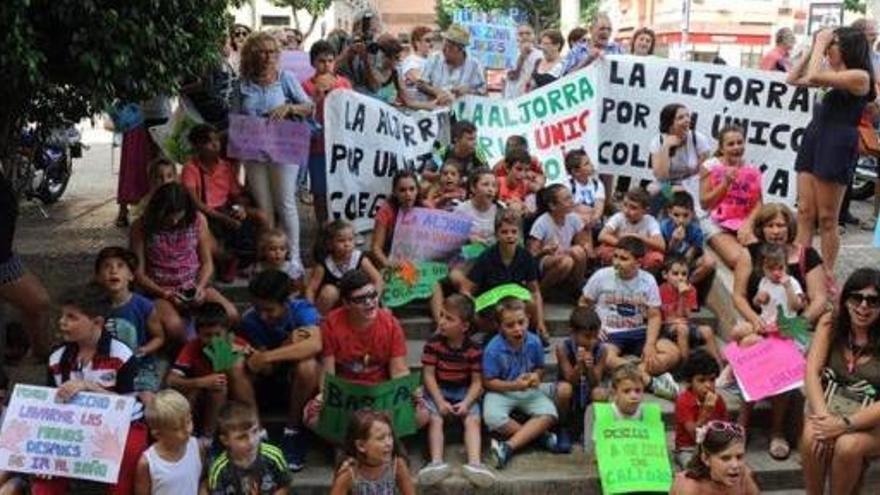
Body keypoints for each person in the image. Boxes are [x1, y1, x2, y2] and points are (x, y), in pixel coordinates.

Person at [34, 283, 147, 495]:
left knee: (122, 476)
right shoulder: (56, 358)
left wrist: (89, 387)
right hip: (70, 427)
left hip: (123, 427)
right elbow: (49, 409)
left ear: (97, 322)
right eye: (62, 316)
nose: (62, 322)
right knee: (43, 483)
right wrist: (47, 454)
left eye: (71, 317)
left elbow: (129, 406)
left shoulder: (121, 356)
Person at [787, 26, 875, 273]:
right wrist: (811, 48)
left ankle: (825, 273)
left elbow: (814, 77)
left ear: (847, 47)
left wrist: (820, 45)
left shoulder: (859, 76)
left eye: (832, 44)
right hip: (815, 136)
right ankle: (799, 270)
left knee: (827, 217)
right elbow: (792, 78)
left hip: (837, 141)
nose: (827, 49)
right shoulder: (830, 72)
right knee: (804, 211)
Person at [304, 270, 429, 439]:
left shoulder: (391, 324)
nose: (370, 303)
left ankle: (375, 445)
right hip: (346, 397)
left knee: (422, 414)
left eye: (372, 295)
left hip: (380, 395)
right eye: (360, 299)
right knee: (311, 416)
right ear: (346, 303)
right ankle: (350, 446)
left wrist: (411, 391)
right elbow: (328, 374)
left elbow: (398, 371)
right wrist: (323, 396)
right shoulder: (331, 325)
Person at [233, 31, 314, 276]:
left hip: (283, 146)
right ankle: (267, 257)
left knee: (286, 202)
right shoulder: (242, 84)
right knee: (263, 206)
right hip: (253, 150)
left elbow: (310, 107)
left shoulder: (286, 78)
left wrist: (288, 107)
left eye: (272, 51)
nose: (268, 57)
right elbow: (234, 118)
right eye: (262, 51)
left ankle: (294, 258)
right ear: (251, 54)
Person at [801, 268, 880, 494]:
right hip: (830, 407)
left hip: (873, 419)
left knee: (848, 446)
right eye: (857, 298)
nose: (863, 306)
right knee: (811, 437)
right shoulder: (830, 323)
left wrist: (845, 424)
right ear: (845, 300)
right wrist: (825, 419)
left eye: (873, 301)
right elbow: (812, 372)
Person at [579, 237, 682, 400]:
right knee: (605, 358)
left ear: (639, 262)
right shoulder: (601, 276)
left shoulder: (648, 280)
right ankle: (648, 381)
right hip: (610, 332)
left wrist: (649, 344)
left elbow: (654, 315)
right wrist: (594, 328)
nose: (617, 262)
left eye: (624, 259)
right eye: (616, 256)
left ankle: (633, 374)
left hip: (639, 330)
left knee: (673, 352)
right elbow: (583, 304)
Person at [239, 269, 321, 470]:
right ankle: (257, 433)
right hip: (267, 382)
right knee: (235, 366)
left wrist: (269, 354)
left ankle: (292, 431)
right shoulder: (250, 320)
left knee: (308, 365)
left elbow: (315, 344)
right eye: (258, 308)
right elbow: (262, 368)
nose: (263, 315)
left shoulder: (303, 310)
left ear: (286, 302)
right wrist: (288, 345)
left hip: (299, 384)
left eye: (269, 310)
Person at [130, 182, 238, 322]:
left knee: (231, 315)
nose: (174, 221)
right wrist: (165, 294)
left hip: (192, 286)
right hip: (159, 291)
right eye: (169, 217)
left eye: (178, 216)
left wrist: (199, 287)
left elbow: (207, 263)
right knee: (175, 327)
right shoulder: (140, 227)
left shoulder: (198, 220)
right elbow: (139, 273)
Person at [417, 295, 495, 487]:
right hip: (438, 388)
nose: (442, 322)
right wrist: (440, 401)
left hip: (464, 390)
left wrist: (467, 402)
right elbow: (428, 376)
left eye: (449, 318)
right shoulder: (433, 343)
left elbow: (477, 383)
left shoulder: (474, 349)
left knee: (473, 419)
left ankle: (475, 463)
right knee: (435, 418)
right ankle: (435, 462)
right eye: (442, 315)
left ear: (465, 326)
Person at [483, 298, 562, 469]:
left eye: (521, 322)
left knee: (550, 414)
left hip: (527, 389)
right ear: (500, 327)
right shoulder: (493, 349)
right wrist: (514, 386)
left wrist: (536, 376)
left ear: (528, 319)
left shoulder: (534, 342)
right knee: (492, 417)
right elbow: (488, 382)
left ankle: (508, 446)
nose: (518, 329)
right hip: (502, 391)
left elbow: (540, 368)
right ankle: (538, 437)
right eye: (510, 325)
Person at [181, 123, 263, 279]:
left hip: (225, 208)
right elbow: (195, 203)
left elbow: (235, 194)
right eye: (209, 142)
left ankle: (253, 261)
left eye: (216, 141)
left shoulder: (225, 167)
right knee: (204, 224)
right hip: (205, 212)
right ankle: (226, 260)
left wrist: (241, 207)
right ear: (198, 146)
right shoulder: (190, 169)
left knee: (256, 218)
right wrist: (224, 218)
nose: (215, 145)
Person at [166, 302, 256, 445]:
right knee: (216, 387)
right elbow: (171, 380)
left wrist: (251, 355)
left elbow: (265, 369)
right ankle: (207, 439)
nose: (213, 340)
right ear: (197, 334)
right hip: (206, 402)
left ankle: (256, 428)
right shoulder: (192, 347)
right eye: (207, 335)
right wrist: (201, 382)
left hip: (236, 402)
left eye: (218, 334)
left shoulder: (237, 343)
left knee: (229, 377)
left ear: (226, 332)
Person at [733, 203, 829, 330]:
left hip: (795, 326)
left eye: (780, 225)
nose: (775, 231)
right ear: (761, 229)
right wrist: (755, 320)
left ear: (789, 227)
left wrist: (799, 324)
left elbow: (819, 299)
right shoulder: (749, 253)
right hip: (760, 324)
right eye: (770, 226)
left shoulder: (808, 255)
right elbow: (739, 295)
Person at [94, 247, 166, 399]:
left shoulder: (144, 306)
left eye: (120, 266)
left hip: (141, 367)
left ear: (131, 276)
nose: (113, 271)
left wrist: (144, 349)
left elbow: (159, 337)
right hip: (107, 366)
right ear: (99, 277)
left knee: (147, 400)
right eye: (107, 266)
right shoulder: (95, 308)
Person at [463, 209, 545, 339]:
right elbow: (466, 290)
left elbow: (535, 291)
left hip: (516, 304)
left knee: (531, 304)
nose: (509, 236)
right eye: (504, 232)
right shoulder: (486, 257)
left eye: (514, 232)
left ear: (519, 234)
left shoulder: (526, 256)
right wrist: (475, 307)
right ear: (496, 235)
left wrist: (541, 322)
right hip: (491, 307)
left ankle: (527, 335)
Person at [0, 174, 52, 362]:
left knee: (39, 304)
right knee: (38, 303)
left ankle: (40, 354)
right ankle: (41, 354)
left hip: (5, 256)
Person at [301, 40, 352, 224]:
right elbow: (302, 115)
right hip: (318, 147)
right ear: (313, 62)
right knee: (320, 192)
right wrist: (315, 99)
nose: (326, 65)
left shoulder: (344, 84)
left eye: (330, 60)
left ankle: (341, 227)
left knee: (342, 188)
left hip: (340, 146)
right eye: (322, 61)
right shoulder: (305, 86)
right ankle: (322, 227)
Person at [699, 125, 763, 269]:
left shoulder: (751, 168)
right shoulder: (710, 166)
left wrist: (748, 225)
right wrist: (725, 183)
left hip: (741, 220)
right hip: (713, 220)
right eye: (731, 144)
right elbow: (704, 203)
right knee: (738, 259)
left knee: (760, 254)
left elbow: (758, 202)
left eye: (740, 143)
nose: (736, 147)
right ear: (722, 148)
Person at [204, 401, 290, 495]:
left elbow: (284, 485)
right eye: (242, 437)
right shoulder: (219, 469)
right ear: (225, 440)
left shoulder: (274, 456)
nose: (252, 441)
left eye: (255, 431)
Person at [555, 306, 609, 448]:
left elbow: (595, 381)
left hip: (588, 393)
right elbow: (569, 380)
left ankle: (593, 430)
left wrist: (590, 367)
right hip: (571, 394)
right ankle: (563, 428)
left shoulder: (602, 350)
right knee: (564, 389)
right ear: (573, 333)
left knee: (600, 393)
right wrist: (579, 366)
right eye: (587, 337)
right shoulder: (563, 348)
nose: (591, 341)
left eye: (595, 336)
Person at [305, 219, 383, 315]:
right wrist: (310, 310)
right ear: (330, 244)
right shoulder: (324, 264)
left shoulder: (359, 258)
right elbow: (311, 289)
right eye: (341, 241)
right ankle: (320, 321)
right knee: (330, 292)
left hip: (357, 302)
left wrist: (374, 300)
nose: (347, 244)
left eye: (350, 239)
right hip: (332, 307)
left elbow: (377, 279)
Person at [329, 409, 415, 495]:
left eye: (390, 436)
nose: (388, 443)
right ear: (361, 446)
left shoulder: (397, 465)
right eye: (381, 438)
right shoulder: (349, 473)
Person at [134, 390, 202, 495]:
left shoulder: (196, 447)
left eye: (189, 421)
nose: (187, 430)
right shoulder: (148, 463)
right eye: (177, 428)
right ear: (158, 434)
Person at [650, 103, 712, 212]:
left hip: (693, 184)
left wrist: (685, 186)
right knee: (654, 192)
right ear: (670, 123)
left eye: (688, 116)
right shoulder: (657, 142)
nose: (687, 120)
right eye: (681, 117)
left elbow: (705, 172)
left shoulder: (698, 139)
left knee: (687, 201)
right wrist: (666, 147)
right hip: (667, 185)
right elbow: (661, 176)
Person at [660, 257, 722, 366]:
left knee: (707, 330)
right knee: (682, 329)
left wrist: (684, 296)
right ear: (665, 275)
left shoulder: (691, 290)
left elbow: (689, 315)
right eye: (675, 274)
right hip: (667, 326)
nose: (680, 278)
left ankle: (718, 366)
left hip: (686, 323)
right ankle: (686, 366)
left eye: (684, 274)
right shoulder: (661, 290)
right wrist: (681, 297)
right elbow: (669, 318)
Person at [528, 184, 591, 291]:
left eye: (571, 197)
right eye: (566, 199)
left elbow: (581, 244)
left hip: (565, 253)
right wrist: (545, 250)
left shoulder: (574, 218)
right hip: (547, 259)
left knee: (577, 251)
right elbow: (532, 254)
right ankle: (540, 292)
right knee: (566, 262)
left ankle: (577, 288)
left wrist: (586, 245)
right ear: (553, 206)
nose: (571, 201)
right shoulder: (542, 222)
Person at [674, 350, 728, 469]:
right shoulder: (683, 401)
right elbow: (694, 435)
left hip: (712, 446)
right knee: (694, 468)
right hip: (688, 448)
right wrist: (705, 413)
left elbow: (725, 428)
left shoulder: (719, 400)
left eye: (712, 380)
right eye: (702, 380)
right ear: (690, 382)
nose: (708, 385)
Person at [670, 421, 759, 494]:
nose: (735, 465)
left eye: (739, 457)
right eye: (725, 458)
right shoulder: (690, 488)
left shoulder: (744, 477)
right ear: (706, 459)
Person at [597, 188, 665, 272]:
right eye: (625, 205)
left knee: (656, 258)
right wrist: (624, 245)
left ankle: (644, 280)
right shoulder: (619, 217)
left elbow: (661, 245)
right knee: (604, 250)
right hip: (621, 252)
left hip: (640, 255)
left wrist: (638, 237)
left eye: (633, 208)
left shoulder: (650, 221)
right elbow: (602, 235)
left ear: (645, 210)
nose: (627, 211)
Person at [417, 24, 487, 106]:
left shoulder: (474, 65)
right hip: (435, 108)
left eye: (449, 48)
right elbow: (420, 84)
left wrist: (468, 91)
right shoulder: (434, 59)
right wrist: (436, 92)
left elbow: (483, 92)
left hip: (462, 111)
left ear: (460, 49)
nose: (444, 50)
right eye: (444, 46)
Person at [584, 363, 646, 453]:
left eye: (638, 391)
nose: (633, 396)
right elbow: (594, 450)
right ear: (614, 393)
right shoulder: (604, 414)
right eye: (626, 391)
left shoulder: (647, 414)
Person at [369, 170, 422, 270]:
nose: (408, 194)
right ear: (395, 192)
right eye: (402, 190)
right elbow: (376, 248)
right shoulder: (386, 211)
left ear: (417, 190)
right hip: (392, 263)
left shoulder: (426, 209)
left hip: (420, 264)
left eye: (412, 189)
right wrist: (388, 264)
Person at [661, 191, 715, 286]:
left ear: (692, 214)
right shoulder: (665, 226)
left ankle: (686, 285)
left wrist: (683, 269)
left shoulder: (695, 230)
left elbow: (691, 254)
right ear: (669, 213)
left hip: (686, 262)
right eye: (676, 215)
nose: (681, 220)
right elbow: (666, 252)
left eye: (686, 215)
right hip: (669, 260)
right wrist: (674, 240)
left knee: (710, 262)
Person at [750, 244, 805, 332]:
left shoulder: (791, 282)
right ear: (762, 268)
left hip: (787, 326)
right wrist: (758, 298)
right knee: (741, 333)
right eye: (771, 268)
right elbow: (756, 304)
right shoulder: (764, 282)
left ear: (786, 266)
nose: (776, 273)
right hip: (766, 325)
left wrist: (788, 287)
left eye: (780, 268)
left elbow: (797, 307)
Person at [561, 12, 626, 75]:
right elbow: (564, 79)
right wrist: (588, 60)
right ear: (591, 29)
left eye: (609, 29)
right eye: (602, 29)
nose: (606, 32)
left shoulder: (618, 50)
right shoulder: (577, 51)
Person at [454, 168, 500, 247]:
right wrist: (468, 239)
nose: (490, 189)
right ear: (473, 188)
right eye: (485, 184)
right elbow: (452, 237)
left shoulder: (500, 210)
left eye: (494, 186)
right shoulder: (461, 210)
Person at [566, 149, 605, 232]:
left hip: (594, 223)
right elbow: (567, 209)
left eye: (589, 162)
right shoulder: (568, 185)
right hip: (576, 225)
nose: (591, 165)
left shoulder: (597, 184)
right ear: (576, 172)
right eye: (587, 164)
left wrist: (594, 218)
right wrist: (580, 213)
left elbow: (599, 207)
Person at [504, 24, 543, 99]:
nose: (524, 36)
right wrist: (522, 56)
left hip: (530, 98)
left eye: (528, 33)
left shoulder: (540, 55)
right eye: (521, 34)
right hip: (512, 97)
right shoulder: (510, 54)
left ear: (533, 36)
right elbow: (511, 76)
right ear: (516, 37)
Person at [400, 26, 434, 105]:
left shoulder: (431, 60)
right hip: (416, 110)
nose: (431, 44)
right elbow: (421, 82)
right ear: (417, 43)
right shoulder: (411, 61)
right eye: (427, 41)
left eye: (432, 40)